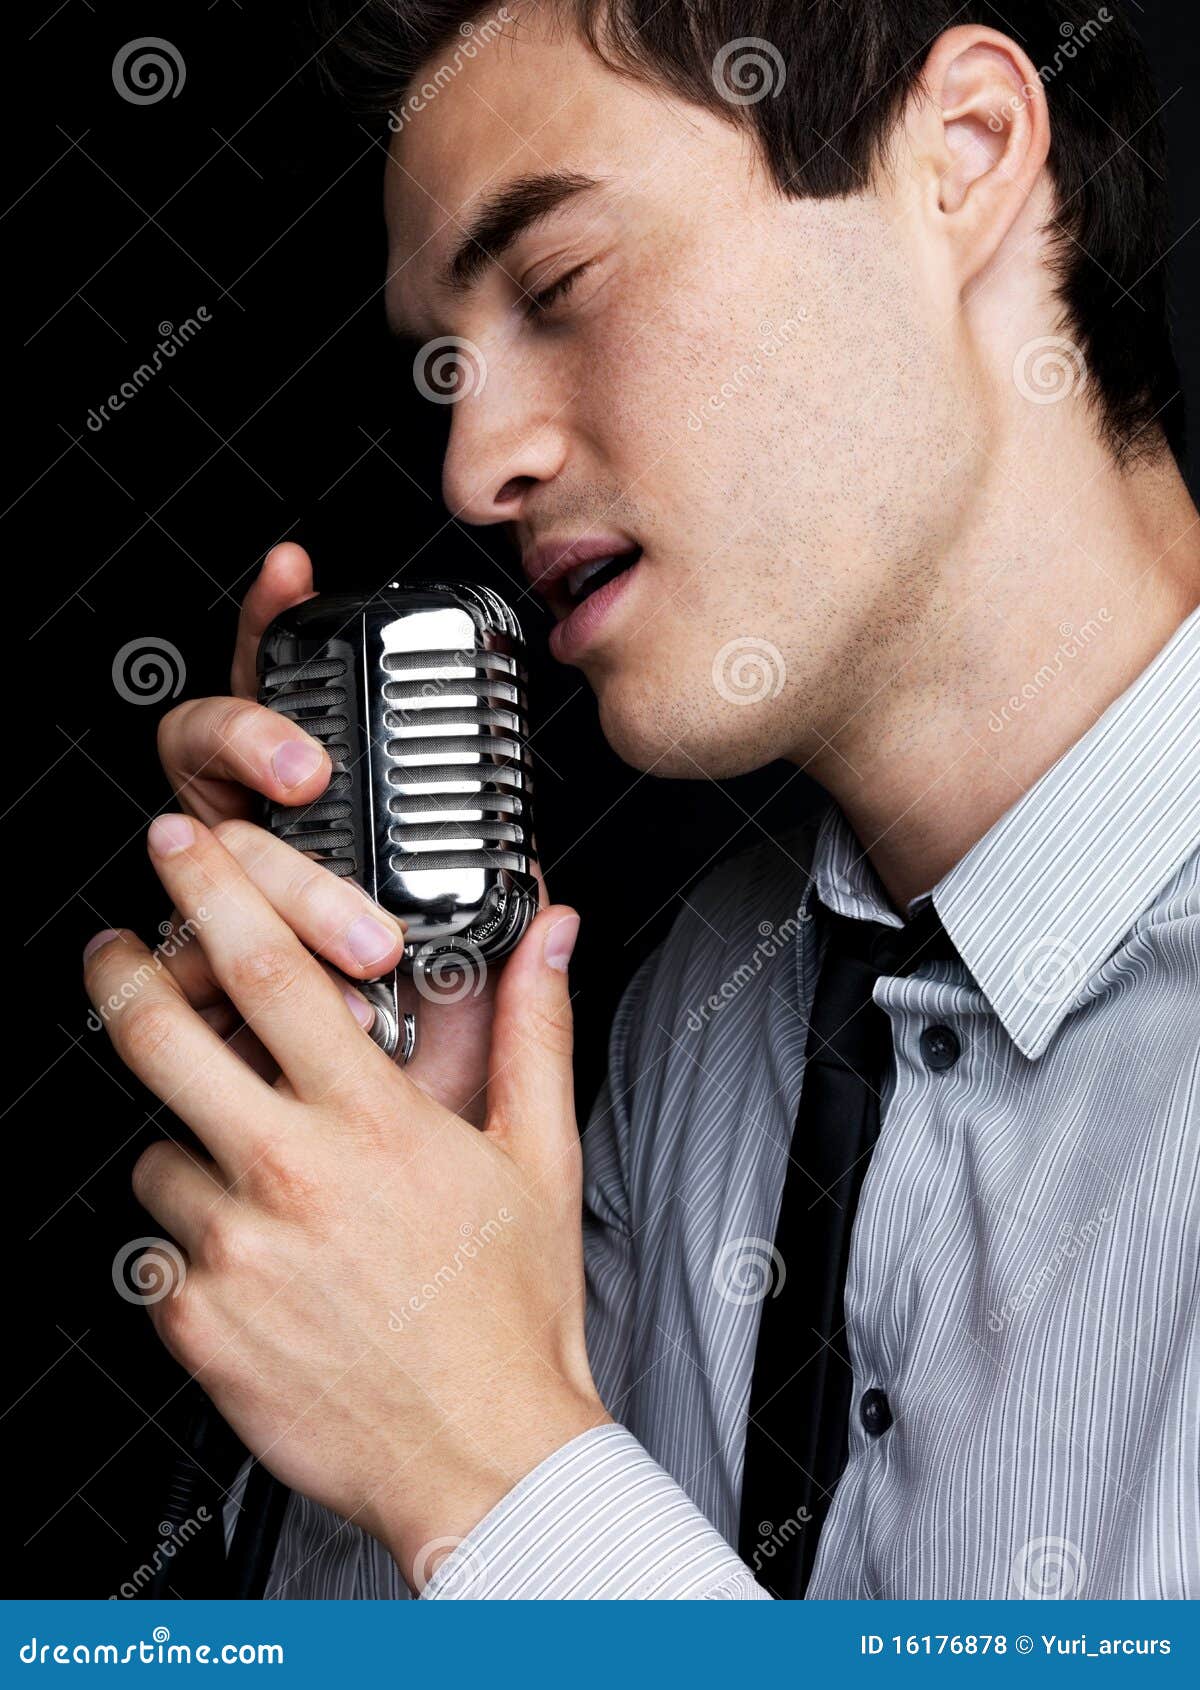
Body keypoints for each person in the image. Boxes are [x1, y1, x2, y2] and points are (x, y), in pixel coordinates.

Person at [84, 0, 1200, 1599]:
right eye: (448, 365)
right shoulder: (701, 1021)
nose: (473, 468)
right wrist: (412, 1178)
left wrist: (494, 1457)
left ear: (961, 157)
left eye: (558, 286)